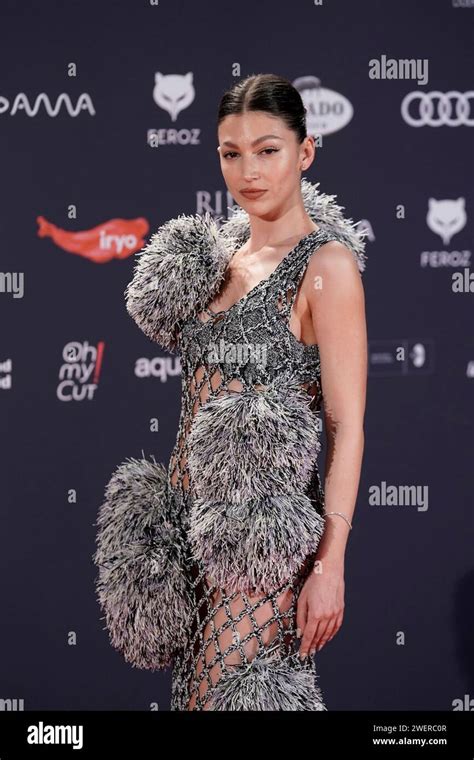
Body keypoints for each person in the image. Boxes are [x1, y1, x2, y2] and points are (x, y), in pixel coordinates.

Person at [93, 73, 368, 711]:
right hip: (184, 536)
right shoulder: (214, 260)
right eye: (231, 152)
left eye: (268, 150)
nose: (248, 170)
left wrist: (330, 563)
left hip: (257, 549)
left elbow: (346, 425)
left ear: (306, 152)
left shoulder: (325, 267)